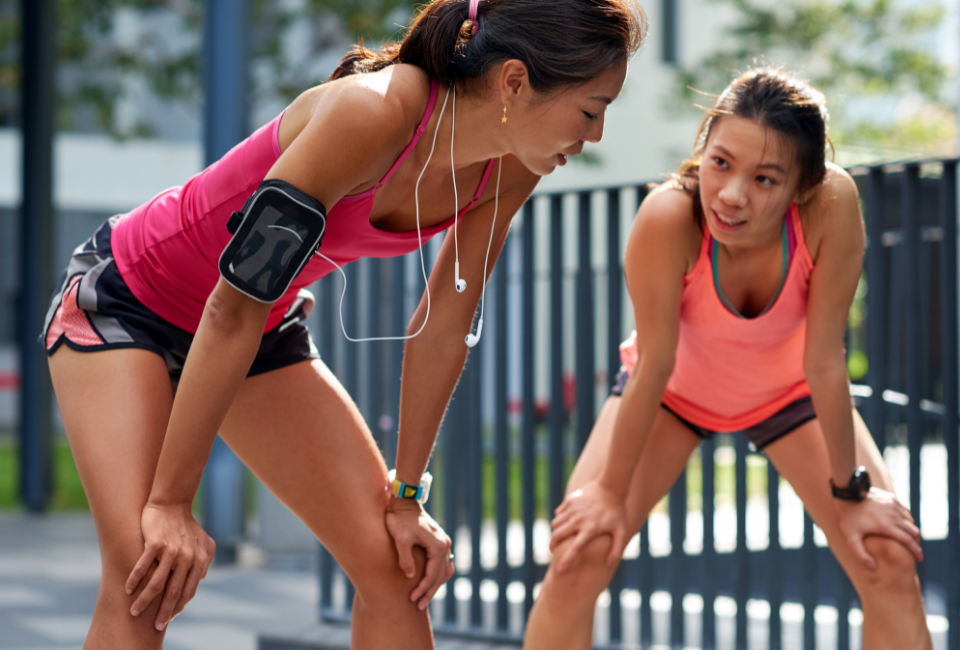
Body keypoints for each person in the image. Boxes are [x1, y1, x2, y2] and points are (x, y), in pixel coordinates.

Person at [43, 0, 646, 647]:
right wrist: (170, 503)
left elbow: (445, 325)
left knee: (395, 566)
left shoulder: (511, 164)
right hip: (130, 298)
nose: (596, 138)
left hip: (255, 330)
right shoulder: (373, 112)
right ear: (515, 81)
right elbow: (231, 304)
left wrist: (406, 499)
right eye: (591, 109)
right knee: (147, 575)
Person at [522, 68, 931, 650]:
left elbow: (825, 362)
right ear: (703, 148)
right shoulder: (669, 218)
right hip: (672, 393)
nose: (734, 194)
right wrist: (609, 494)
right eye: (721, 163)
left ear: (804, 187)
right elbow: (655, 365)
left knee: (887, 559)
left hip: (790, 391)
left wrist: (852, 494)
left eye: (766, 179)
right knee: (578, 554)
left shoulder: (831, 204)